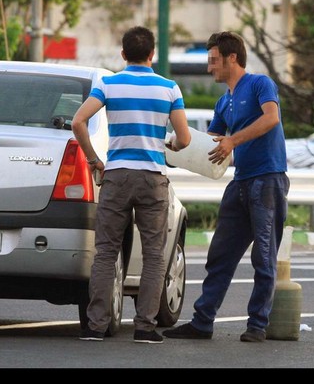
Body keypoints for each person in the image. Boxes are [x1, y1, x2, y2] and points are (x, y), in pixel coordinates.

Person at [163, 31, 290, 343]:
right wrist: (174, 149)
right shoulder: (223, 102)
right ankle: (202, 322)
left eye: (214, 60)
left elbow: (271, 118)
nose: (210, 68)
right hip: (241, 183)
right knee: (219, 254)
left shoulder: (260, 84)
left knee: (263, 256)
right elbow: (208, 145)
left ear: (233, 58)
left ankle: (258, 325)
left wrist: (234, 140)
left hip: (267, 180)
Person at [71, 26, 191, 344]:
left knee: (106, 251)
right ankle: (145, 327)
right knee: (154, 254)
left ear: (123, 54)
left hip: (117, 175)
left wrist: (94, 159)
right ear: (152, 54)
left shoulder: (108, 83)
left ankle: (95, 326)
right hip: (153, 178)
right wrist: (171, 146)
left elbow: (77, 121)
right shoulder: (170, 88)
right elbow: (184, 138)